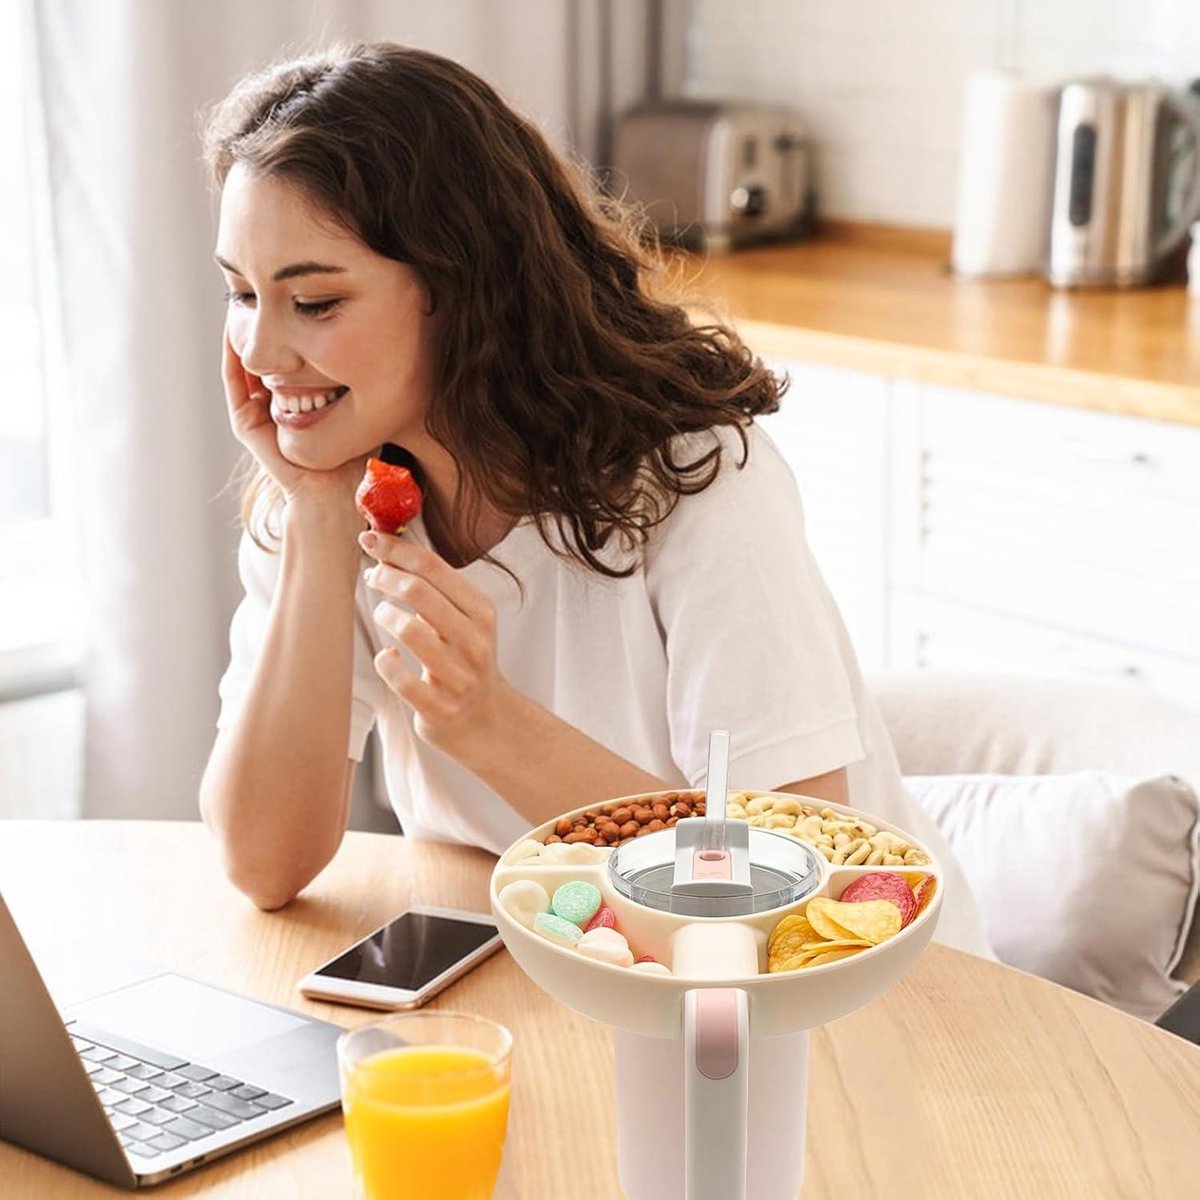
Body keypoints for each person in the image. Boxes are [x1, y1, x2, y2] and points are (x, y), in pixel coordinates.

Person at [198, 41, 990, 957]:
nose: (258, 351)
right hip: (586, 971)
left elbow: (789, 883)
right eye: (240, 292)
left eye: (315, 303)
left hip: (869, 1000)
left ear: (460, 291)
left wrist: (488, 723)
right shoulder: (336, 496)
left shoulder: (701, 481)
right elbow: (264, 862)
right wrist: (313, 519)